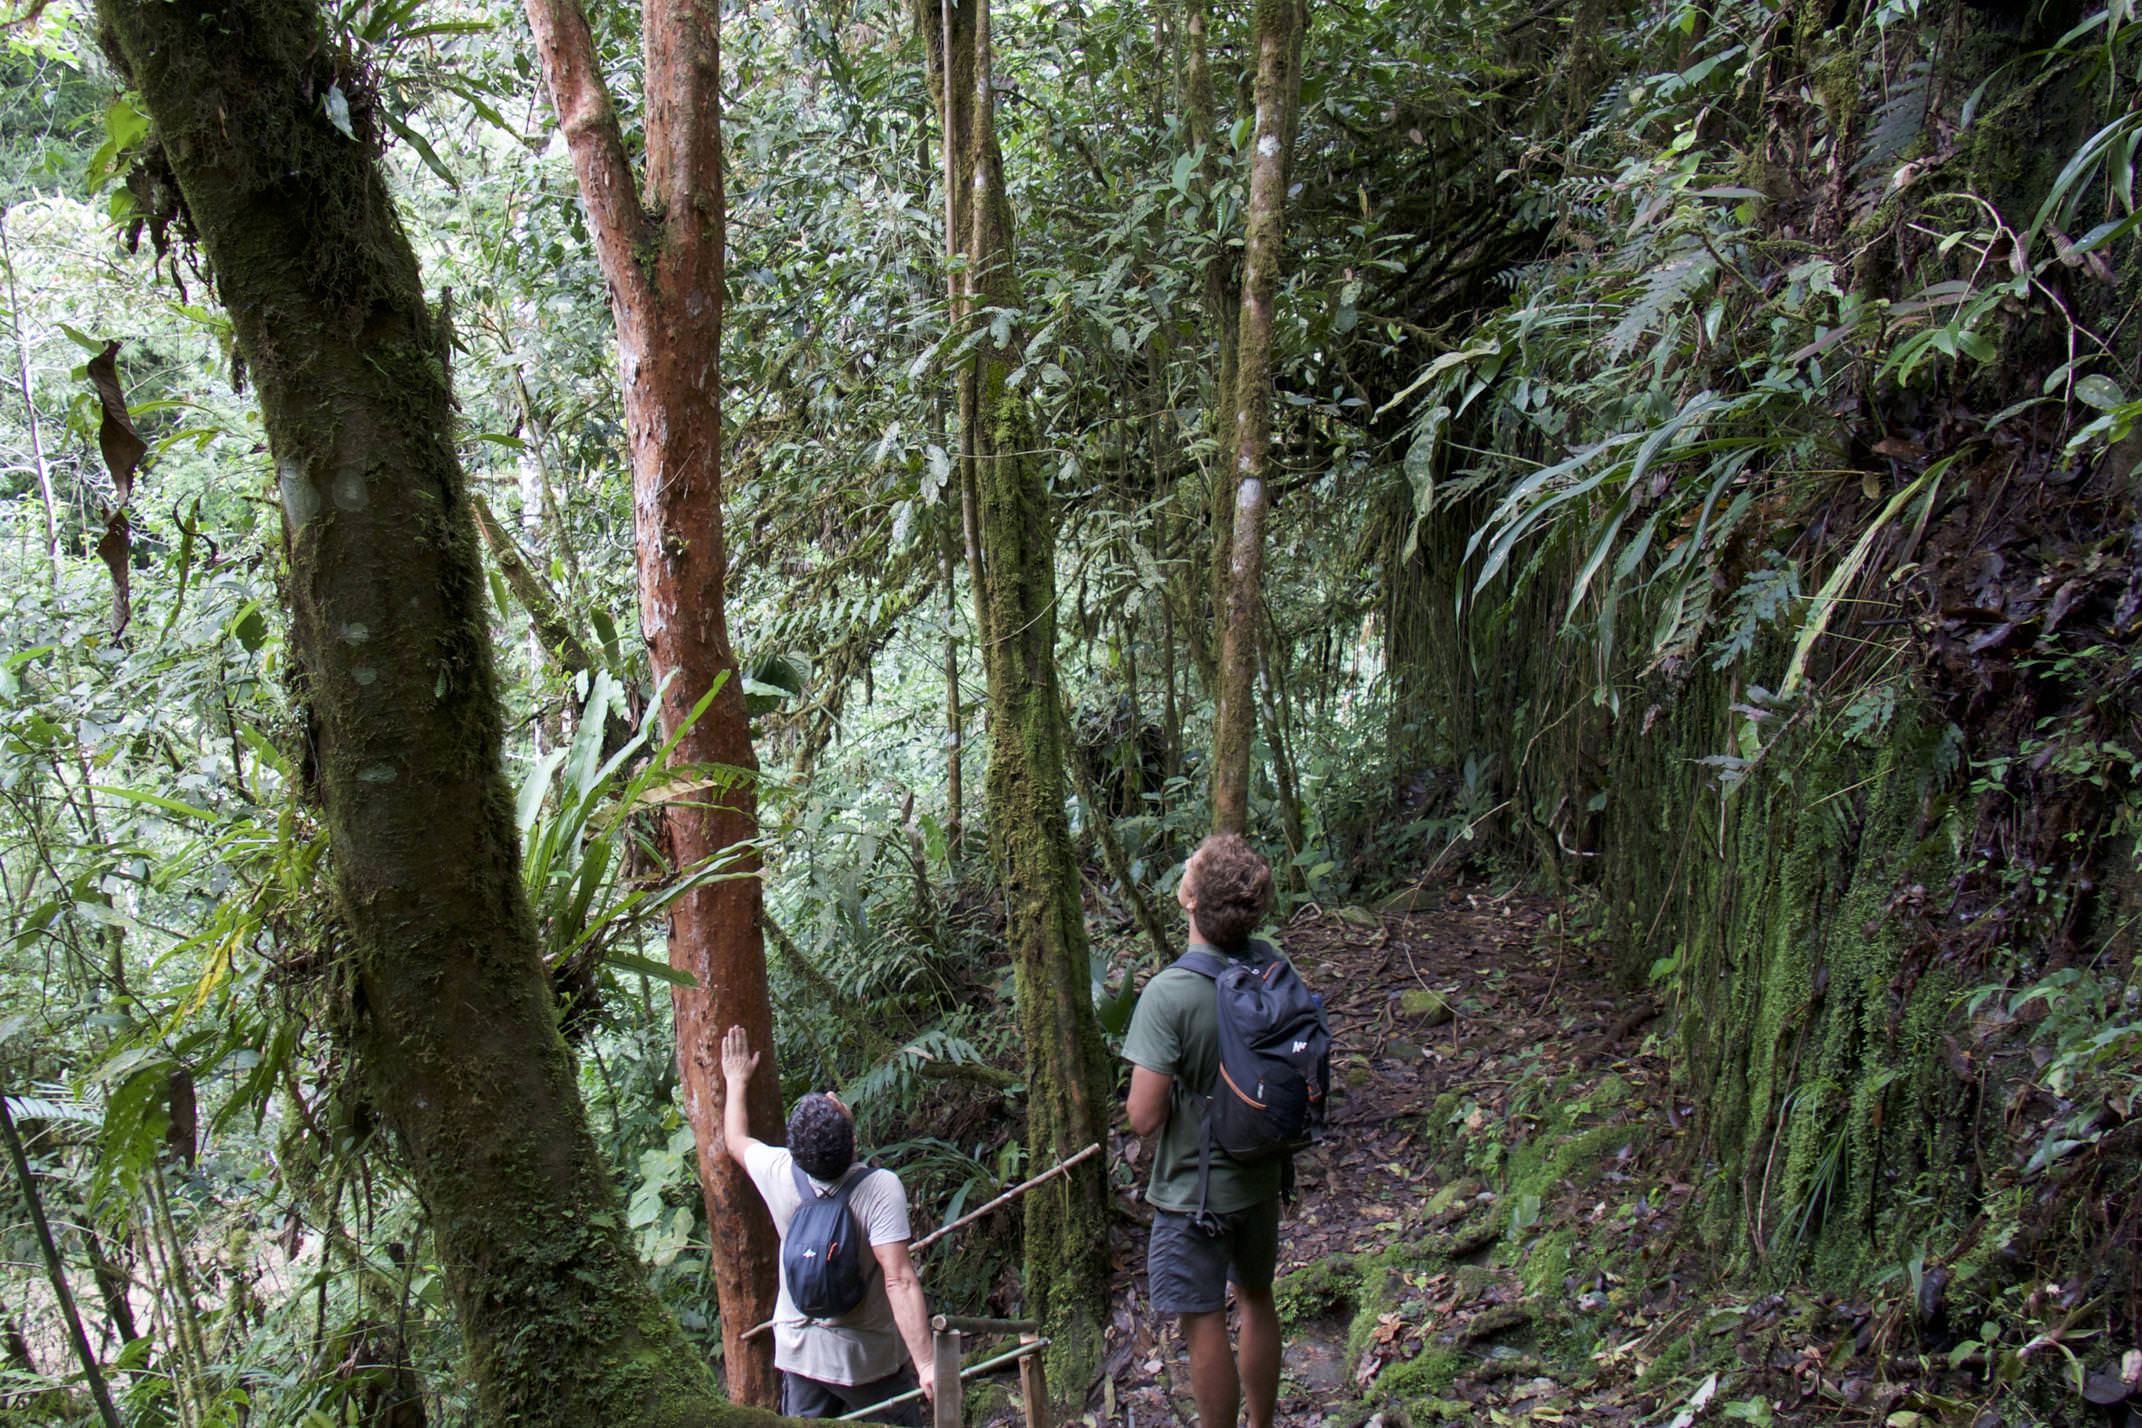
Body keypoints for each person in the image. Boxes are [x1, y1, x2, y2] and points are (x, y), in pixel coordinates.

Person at [1122, 833, 1288, 1428]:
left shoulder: (1170, 994)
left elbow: (1143, 1116)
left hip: (1194, 1192)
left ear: (1192, 900)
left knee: (1203, 1320)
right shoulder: (1272, 968)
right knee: (1256, 1296)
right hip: (1263, 1175)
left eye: (1187, 870)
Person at [720, 1025, 937, 1423]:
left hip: (800, 1353)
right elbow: (899, 1279)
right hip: (866, 1360)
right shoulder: (879, 1188)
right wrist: (925, 1364)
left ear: (797, 1150)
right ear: (852, 1142)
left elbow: (735, 1140)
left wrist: (735, 1079)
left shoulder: (781, 1170)